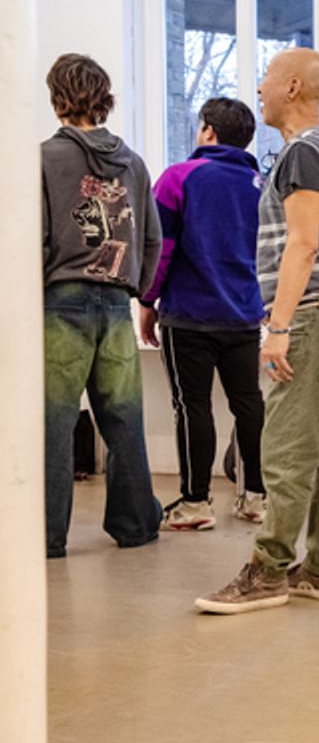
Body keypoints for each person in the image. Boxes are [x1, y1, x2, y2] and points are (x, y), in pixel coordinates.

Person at [196, 48, 319, 614]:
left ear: (292, 87)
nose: (260, 90)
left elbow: (304, 242)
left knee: (287, 450)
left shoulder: (301, 152)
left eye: (266, 79)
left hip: (313, 314)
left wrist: (278, 326)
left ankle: (268, 570)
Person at [41, 53, 163, 558]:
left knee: (53, 421)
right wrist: (135, 287)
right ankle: (135, 525)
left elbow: (36, 235)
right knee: (124, 419)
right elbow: (152, 240)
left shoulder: (45, 158)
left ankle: (46, 536)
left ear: (57, 97)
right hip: (116, 303)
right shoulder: (132, 162)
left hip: (60, 302)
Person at [139, 97, 268, 530]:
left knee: (192, 406)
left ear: (207, 131)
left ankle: (196, 502)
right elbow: (273, 254)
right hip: (246, 316)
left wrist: (147, 300)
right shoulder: (261, 185)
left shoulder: (179, 177)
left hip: (189, 315)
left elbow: (161, 250)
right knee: (248, 402)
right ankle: (255, 498)